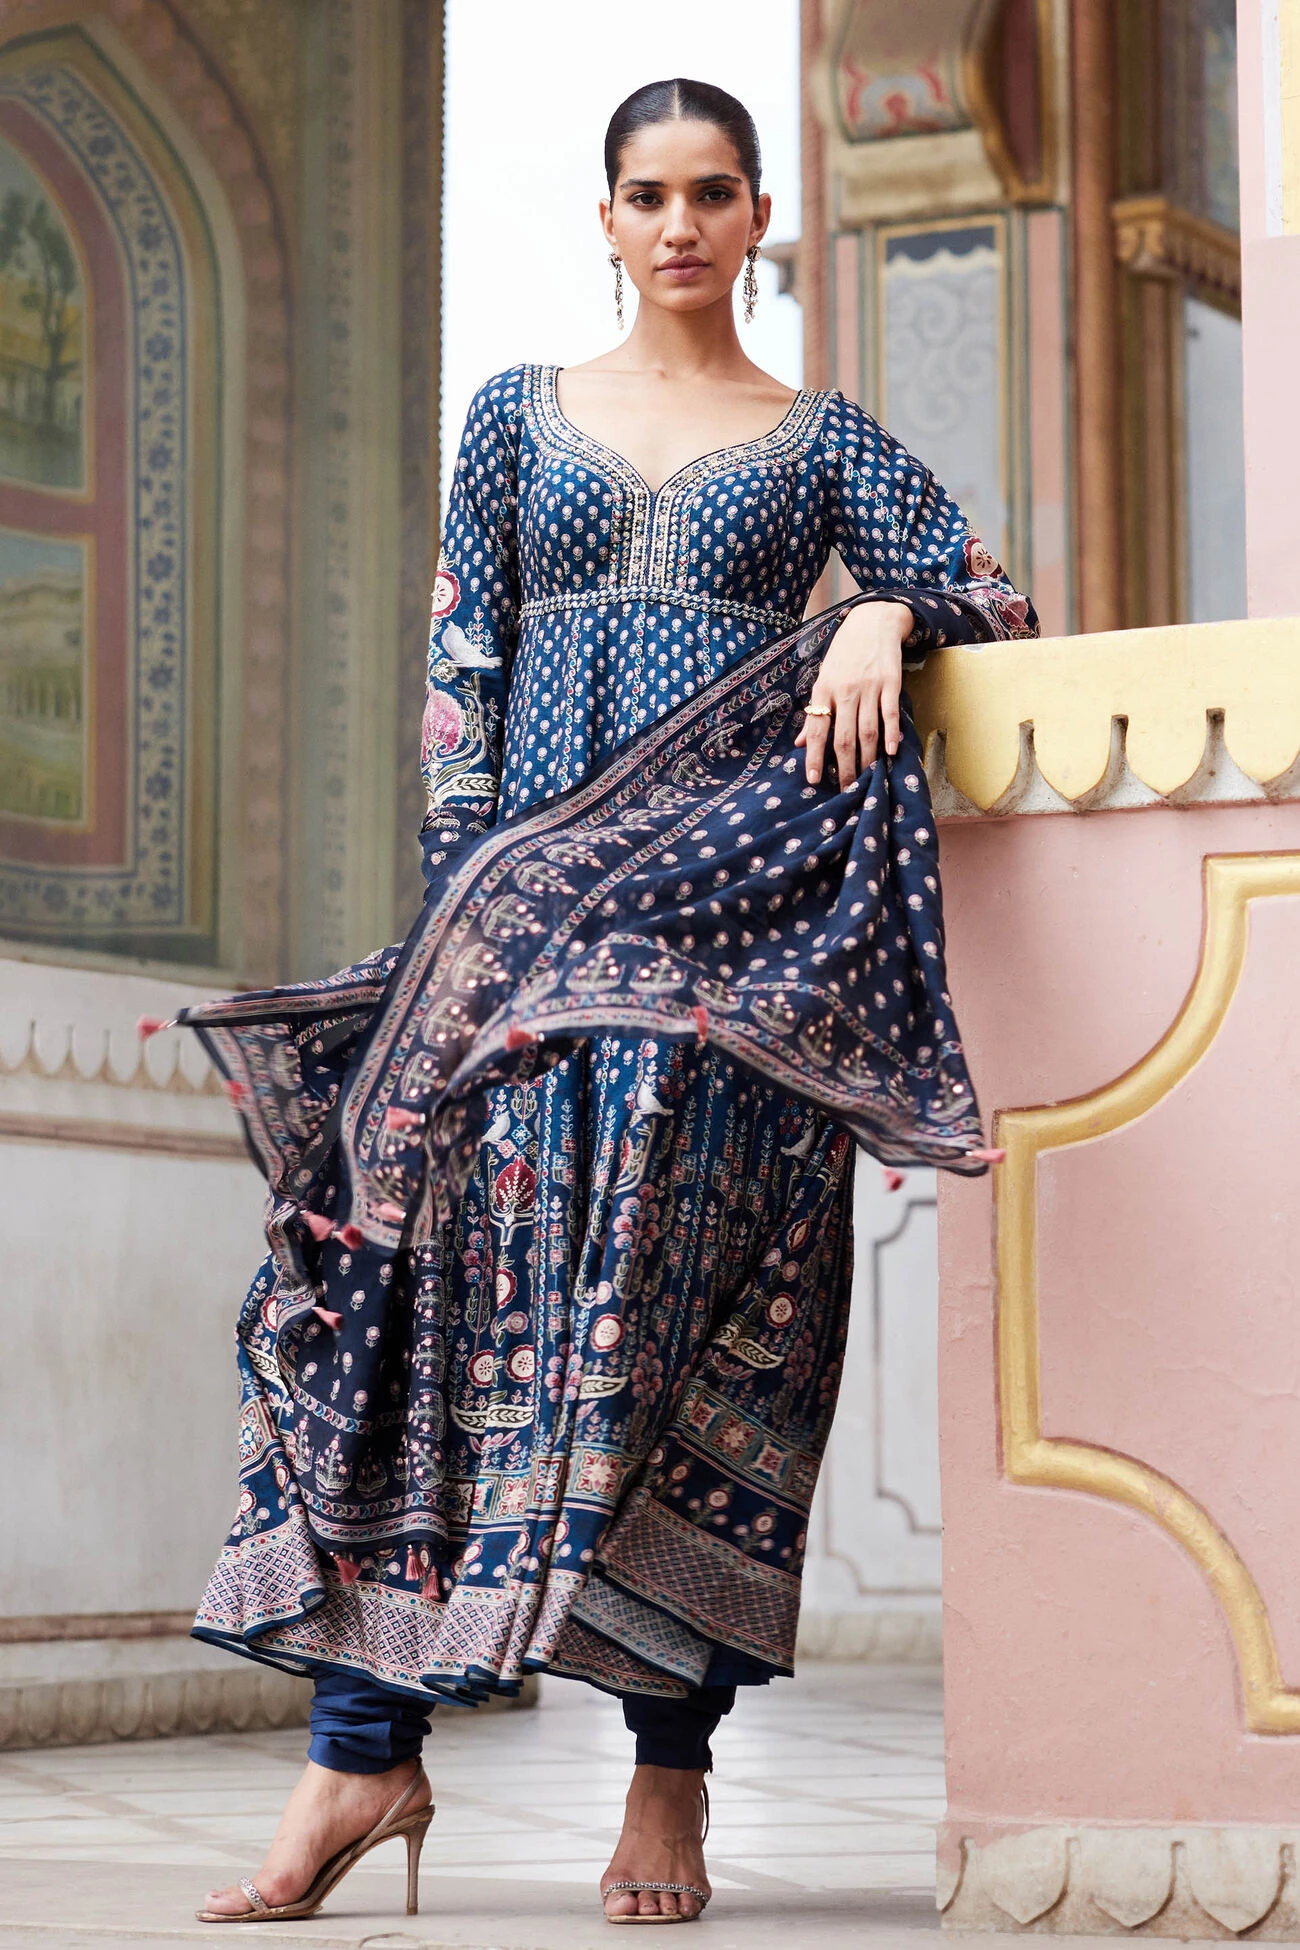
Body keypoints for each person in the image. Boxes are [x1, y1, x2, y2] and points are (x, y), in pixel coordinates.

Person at [188, 77, 1036, 1928]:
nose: (679, 225)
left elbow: (997, 600)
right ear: (605, 219)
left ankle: (668, 1777)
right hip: (515, 951)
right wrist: (458, 930)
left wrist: (883, 616)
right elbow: (463, 673)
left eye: (714, 193)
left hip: (720, 974)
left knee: (696, 1341)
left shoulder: (819, 443)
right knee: (423, 1314)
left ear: (757, 216)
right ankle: (360, 1750)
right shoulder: (513, 415)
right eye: (647, 195)